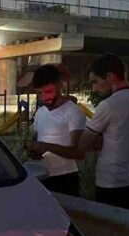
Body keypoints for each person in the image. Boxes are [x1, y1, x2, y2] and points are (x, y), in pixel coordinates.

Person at [76, 54, 129, 210]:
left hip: (112, 182)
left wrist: (99, 140)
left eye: (95, 82)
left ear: (110, 77)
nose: (94, 88)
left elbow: (83, 143)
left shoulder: (109, 106)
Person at [25, 64, 86, 197]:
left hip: (65, 178)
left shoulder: (73, 112)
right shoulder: (40, 112)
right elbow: (37, 141)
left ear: (59, 85)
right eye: (40, 93)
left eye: (48, 91)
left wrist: (46, 147)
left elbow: (79, 153)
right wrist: (33, 151)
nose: (44, 97)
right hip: (40, 176)